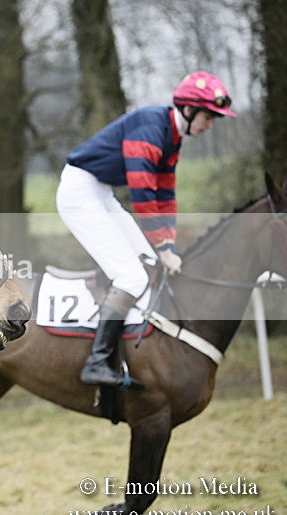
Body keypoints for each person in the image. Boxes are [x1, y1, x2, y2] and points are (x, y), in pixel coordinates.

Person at [56, 71, 236, 387]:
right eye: (209, 117)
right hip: (79, 192)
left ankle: (134, 350)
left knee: (148, 264)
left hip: (101, 191)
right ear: (190, 109)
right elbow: (142, 194)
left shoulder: (173, 136)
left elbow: (164, 192)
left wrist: (167, 243)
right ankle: (96, 362)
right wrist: (165, 248)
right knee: (132, 276)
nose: (211, 125)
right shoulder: (152, 126)